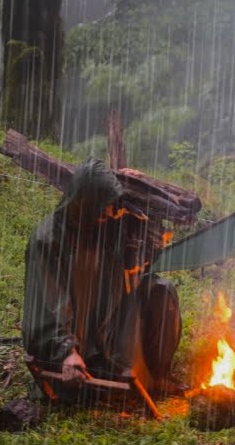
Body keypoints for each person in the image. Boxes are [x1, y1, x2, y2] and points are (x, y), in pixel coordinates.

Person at [22, 159, 182, 401]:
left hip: (114, 327)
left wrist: (136, 185)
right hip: (79, 344)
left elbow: (150, 232)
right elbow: (47, 306)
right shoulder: (47, 241)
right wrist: (66, 352)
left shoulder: (106, 225)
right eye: (103, 205)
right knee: (101, 385)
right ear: (84, 202)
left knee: (162, 291)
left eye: (110, 204)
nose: (108, 211)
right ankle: (98, 377)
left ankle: (156, 376)